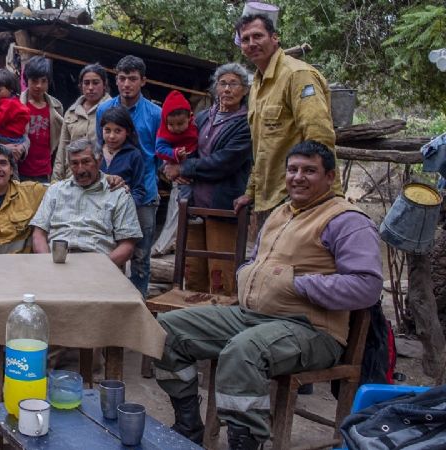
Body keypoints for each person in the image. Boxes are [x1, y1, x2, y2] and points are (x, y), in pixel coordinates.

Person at [155, 141, 382, 449]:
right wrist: (249, 274)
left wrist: (297, 284)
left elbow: (367, 287)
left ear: (330, 177)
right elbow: (258, 260)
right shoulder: (281, 212)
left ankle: (247, 442)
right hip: (252, 317)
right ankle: (188, 426)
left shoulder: (347, 221)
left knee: (242, 352)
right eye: (293, 169)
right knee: (166, 330)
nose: (298, 177)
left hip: (312, 330)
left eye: (309, 171)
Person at [232, 14, 339, 223]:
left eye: (257, 36)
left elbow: (319, 137)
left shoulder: (297, 75)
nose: (251, 43)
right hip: (269, 199)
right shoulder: (256, 86)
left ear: (274, 38)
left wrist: (327, 197)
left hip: (300, 198)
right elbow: (261, 147)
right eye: (245, 39)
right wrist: (251, 192)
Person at [161, 63, 253, 295]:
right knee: (192, 271)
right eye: (222, 83)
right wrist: (169, 164)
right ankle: (193, 321)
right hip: (192, 205)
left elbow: (224, 162)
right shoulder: (201, 118)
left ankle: (218, 323)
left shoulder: (246, 123)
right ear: (215, 88)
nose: (227, 89)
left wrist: (185, 168)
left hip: (222, 205)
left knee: (220, 273)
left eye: (234, 84)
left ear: (245, 90)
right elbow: (176, 143)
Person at [96, 55, 161, 298]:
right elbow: (101, 149)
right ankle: (113, 301)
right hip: (108, 194)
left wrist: (139, 186)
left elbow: (158, 155)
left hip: (143, 194)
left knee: (141, 254)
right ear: (116, 79)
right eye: (122, 78)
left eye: (132, 79)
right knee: (111, 249)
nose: (126, 84)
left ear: (143, 81)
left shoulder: (155, 113)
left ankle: (139, 303)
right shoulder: (104, 109)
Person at [30, 138, 142, 268]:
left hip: (100, 265)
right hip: (57, 263)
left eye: (86, 161)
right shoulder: (55, 191)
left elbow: (127, 245)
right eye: (74, 163)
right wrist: (47, 265)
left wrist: (101, 270)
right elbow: (38, 235)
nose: (80, 169)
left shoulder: (118, 193)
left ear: (99, 161)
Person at [52, 63, 111, 180]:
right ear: (80, 86)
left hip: (100, 177)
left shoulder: (112, 110)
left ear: (104, 85)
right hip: (72, 175)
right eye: (86, 83)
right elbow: (63, 148)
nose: (90, 87)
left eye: (95, 83)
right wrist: (56, 179)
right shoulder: (71, 112)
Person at [19, 56, 64, 182]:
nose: (39, 85)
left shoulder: (56, 106)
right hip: (20, 171)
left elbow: (59, 142)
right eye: (34, 80)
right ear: (26, 80)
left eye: (43, 81)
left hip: (45, 172)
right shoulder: (17, 105)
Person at [156, 90, 199, 203]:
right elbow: (160, 149)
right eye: (171, 124)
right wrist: (174, 153)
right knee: (185, 187)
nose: (175, 128)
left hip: (194, 163)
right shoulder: (164, 133)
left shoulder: (195, 126)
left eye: (180, 124)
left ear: (189, 118)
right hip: (174, 163)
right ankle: (184, 210)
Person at [99, 106, 147, 207]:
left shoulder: (134, 155)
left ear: (127, 132)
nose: (112, 136)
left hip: (121, 210)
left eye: (118, 131)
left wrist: (127, 208)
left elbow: (139, 190)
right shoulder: (94, 151)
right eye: (107, 130)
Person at [0, 69, 30, 145]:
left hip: (9, 139)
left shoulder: (8, 103)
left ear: (10, 89)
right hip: (18, 138)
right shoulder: (15, 100)